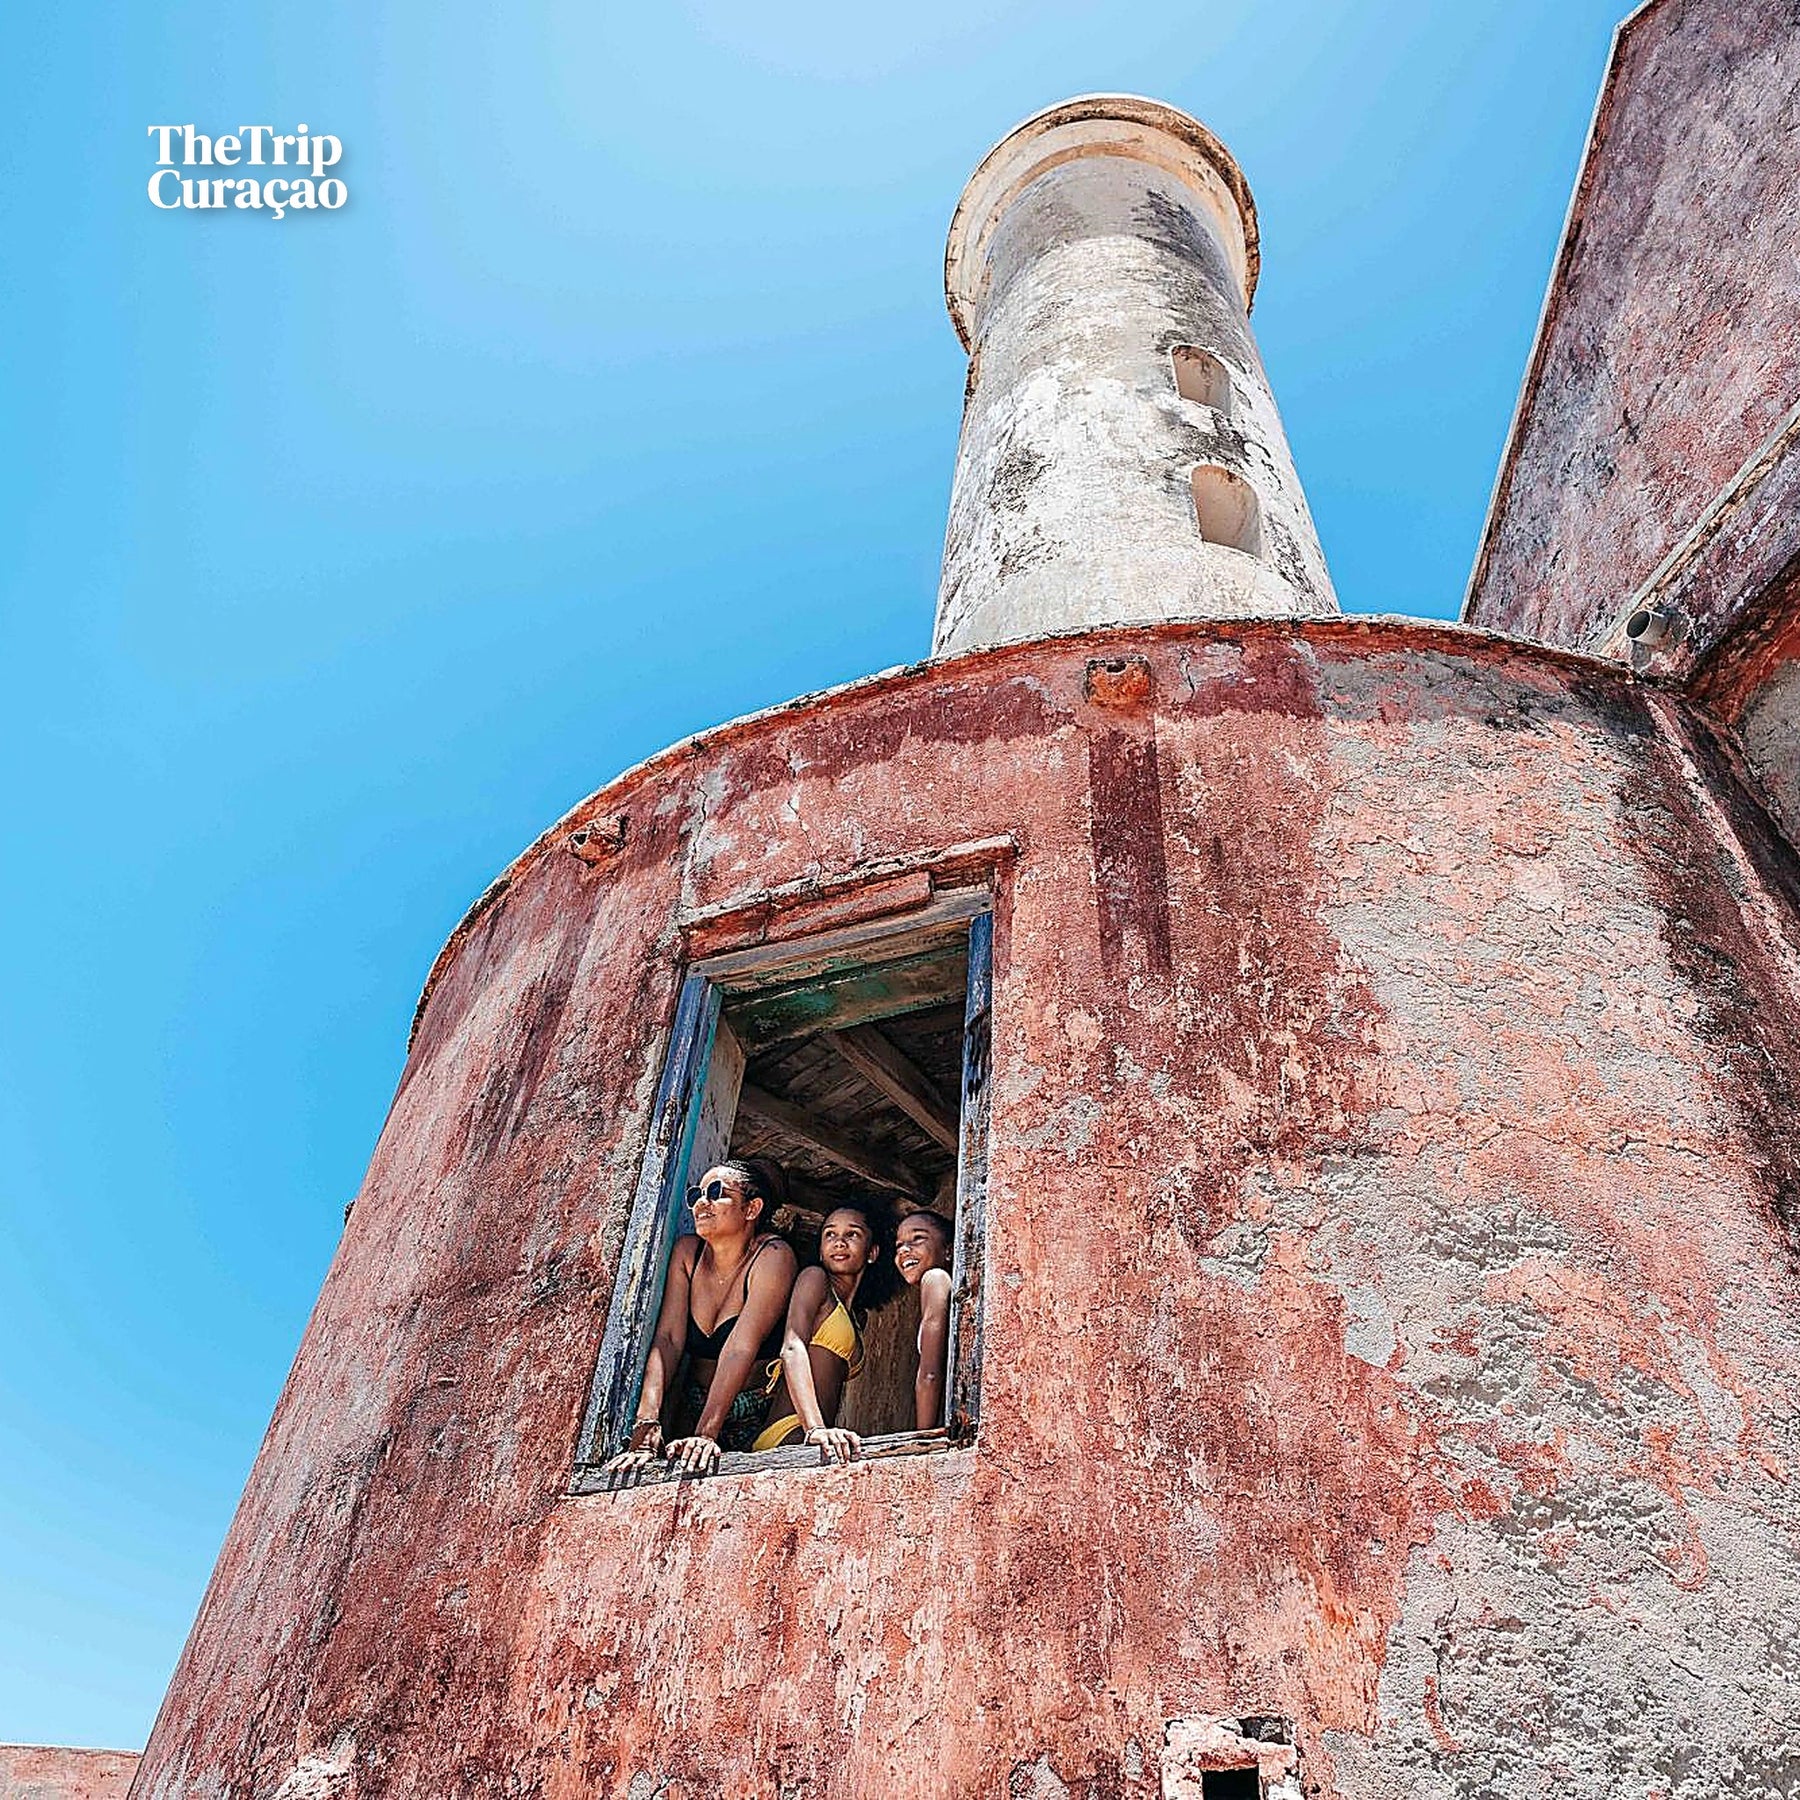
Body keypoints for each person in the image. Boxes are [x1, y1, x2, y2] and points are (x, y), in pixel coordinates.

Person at [607, 1157, 797, 1481]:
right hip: (693, 1401)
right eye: (695, 1195)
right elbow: (668, 1340)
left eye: (715, 1192)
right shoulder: (687, 1253)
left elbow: (740, 1347)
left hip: (753, 1408)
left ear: (752, 1209)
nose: (701, 1203)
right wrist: (647, 1422)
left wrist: (706, 1434)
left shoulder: (774, 1256)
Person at [752, 1201, 901, 1463]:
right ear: (820, 1251)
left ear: (872, 1252)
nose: (839, 1242)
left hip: (819, 1435)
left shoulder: (857, 1318)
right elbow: (792, 1347)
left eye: (852, 1234)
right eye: (829, 1234)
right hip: (791, 1432)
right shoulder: (814, 1278)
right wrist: (814, 1428)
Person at [893, 1209, 954, 1431]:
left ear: (948, 1250)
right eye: (898, 1245)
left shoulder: (935, 1278)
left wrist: (923, 1438)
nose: (904, 1250)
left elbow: (930, 1374)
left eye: (917, 1238)